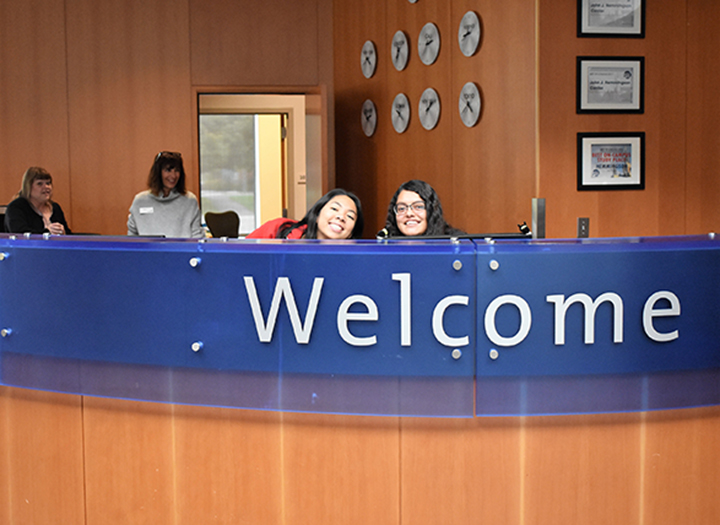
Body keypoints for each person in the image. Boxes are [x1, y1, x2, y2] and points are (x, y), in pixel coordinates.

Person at [127, 151, 203, 238]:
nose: (173, 176)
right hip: (149, 251)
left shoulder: (190, 201)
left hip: (181, 251)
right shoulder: (140, 201)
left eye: (177, 170)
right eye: (168, 170)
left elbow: (197, 237)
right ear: (158, 172)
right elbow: (132, 237)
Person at [246, 188, 364, 240]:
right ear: (317, 214)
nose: (341, 217)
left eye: (350, 216)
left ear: (351, 233)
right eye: (334, 208)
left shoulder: (351, 264)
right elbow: (239, 255)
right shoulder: (280, 228)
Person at [380, 179, 463, 238]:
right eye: (402, 208)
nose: (409, 214)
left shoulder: (456, 243)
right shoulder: (385, 245)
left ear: (431, 211)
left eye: (418, 207)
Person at [4, 167, 71, 235]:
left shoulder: (55, 207)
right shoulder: (16, 208)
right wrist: (47, 232)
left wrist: (64, 233)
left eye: (48, 183)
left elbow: (70, 236)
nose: (46, 187)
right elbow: (21, 235)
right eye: (40, 184)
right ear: (28, 187)